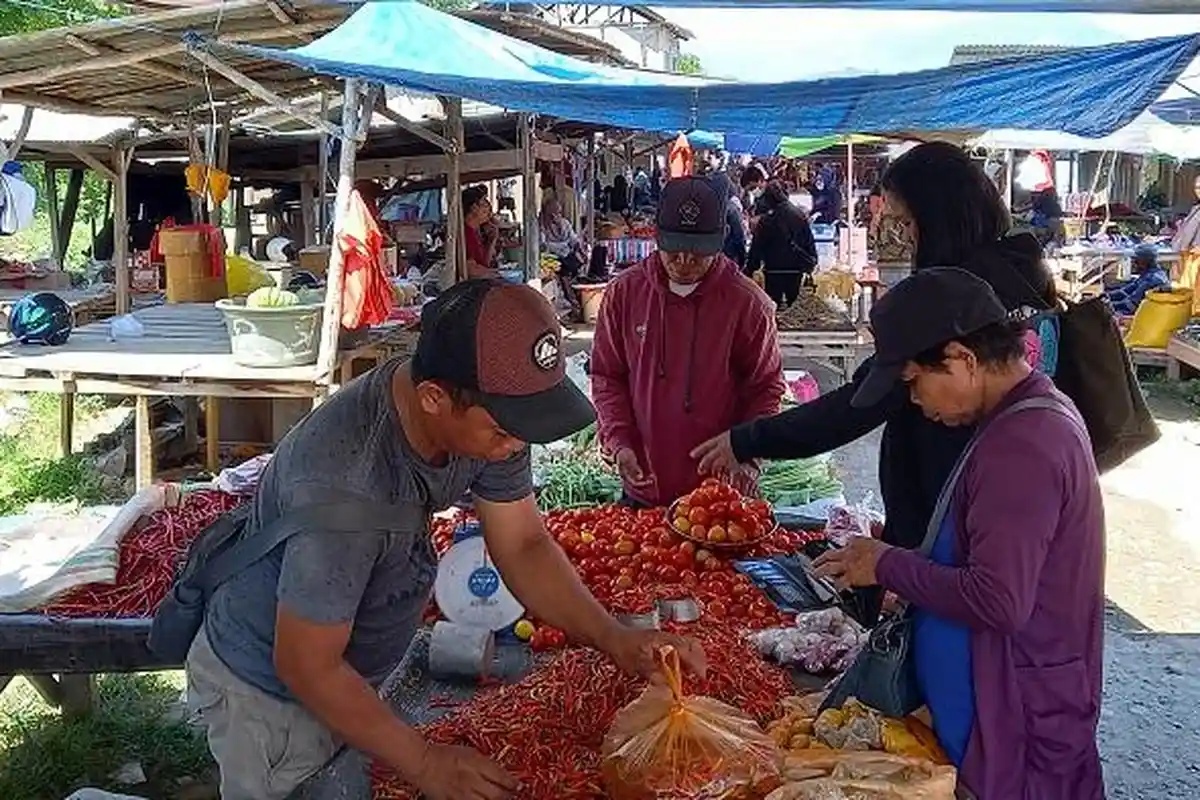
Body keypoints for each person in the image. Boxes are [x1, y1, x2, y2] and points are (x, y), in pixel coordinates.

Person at [186, 279, 705, 800]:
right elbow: (306, 665)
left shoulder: (485, 408)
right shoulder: (342, 485)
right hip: (270, 691)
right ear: (434, 397)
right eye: (503, 431)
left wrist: (613, 637)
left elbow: (522, 541)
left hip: (348, 662)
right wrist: (427, 762)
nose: (515, 445)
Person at [691, 142, 1057, 609]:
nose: (900, 238)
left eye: (906, 223)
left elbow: (856, 404)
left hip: (956, 552)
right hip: (945, 549)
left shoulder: (962, 302)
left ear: (964, 361)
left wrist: (749, 439)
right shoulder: (1016, 278)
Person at [814, 267, 1105, 799]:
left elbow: (1000, 600)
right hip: (1000, 708)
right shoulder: (1019, 417)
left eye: (913, 384)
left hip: (1016, 723)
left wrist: (888, 564)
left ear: (961, 359)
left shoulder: (1024, 444)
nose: (915, 403)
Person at [590, 175, 785, 507]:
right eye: (674, 249)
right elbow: (607, 375)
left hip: (719, 494)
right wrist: (620, 441)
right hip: (643, 484)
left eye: (697, 253)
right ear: (657, 235)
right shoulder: (624, 293)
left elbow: (765, 388)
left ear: (720, 241)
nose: (683, 262)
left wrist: (748, 452)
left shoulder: (748, 304)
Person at [747, 181, 819, 306]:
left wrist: (750, 269)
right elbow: (809, 242)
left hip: (773, 271)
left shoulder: (767, 220)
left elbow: (757, 248)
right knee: (795, 308)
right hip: (796, 270)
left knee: (774, 308)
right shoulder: (799, 215)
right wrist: (812, 260)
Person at [1105, 244, 1171, 316]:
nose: (1133, 263)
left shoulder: (1152, 280)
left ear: (1144, 262)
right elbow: (1124, 291)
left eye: (1136, 260)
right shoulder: (1148, 274)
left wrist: (1105, 305)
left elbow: (1130, 305)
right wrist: (1105, 296)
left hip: (1141, 315)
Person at [462, 184, 498, 279]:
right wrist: (499, 275)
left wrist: (492, 240)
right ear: (474, 207)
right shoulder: (465, 233)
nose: (488, 208)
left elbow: (485, 264)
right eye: (484, 203)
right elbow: (472, 270)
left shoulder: (477, 232)